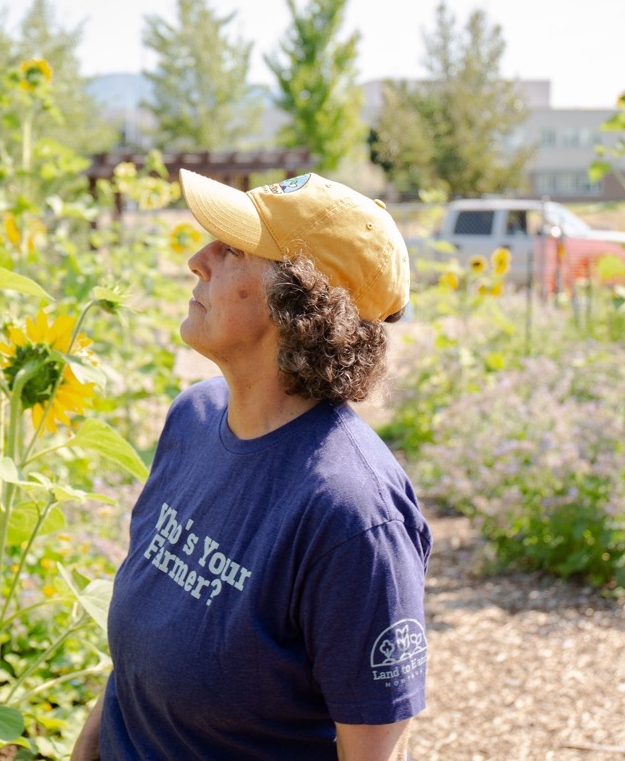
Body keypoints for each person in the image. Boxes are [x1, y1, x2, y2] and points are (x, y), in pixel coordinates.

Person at [72, 169, 431, 760]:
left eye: (234, 248)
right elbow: (135, 673)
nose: (197, 259)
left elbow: (373, 753)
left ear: (301, 304)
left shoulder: (352, 516)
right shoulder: (193, 420)